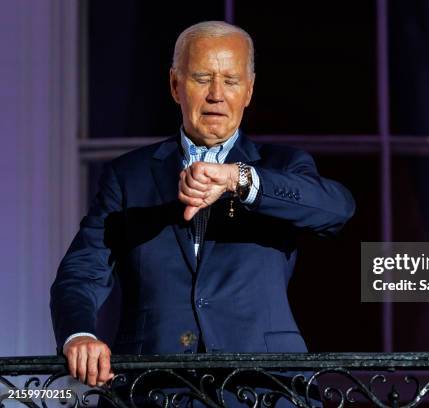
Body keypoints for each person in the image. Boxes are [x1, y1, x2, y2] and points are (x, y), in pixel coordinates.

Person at [49, 19, 355, 395]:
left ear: (249, 90)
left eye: (230, 80)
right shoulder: (128, 176)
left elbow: (336, 209)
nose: (216, 94)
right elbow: (81, 272)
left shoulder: (282, 166)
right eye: (201, 78)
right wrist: (79, 335)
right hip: (153, 388)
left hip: (265, 387)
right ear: (175, 86)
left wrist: (237, 180)